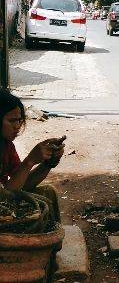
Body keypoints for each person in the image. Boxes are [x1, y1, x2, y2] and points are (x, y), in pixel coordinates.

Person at [0, 90, 63, 223]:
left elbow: (23, 184)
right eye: (11, 121)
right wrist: (29, 161)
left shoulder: (6, 145)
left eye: (19, 120)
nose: (17, 126)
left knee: (48, 191)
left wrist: (48, 163)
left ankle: (52, 242)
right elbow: (5, 200)